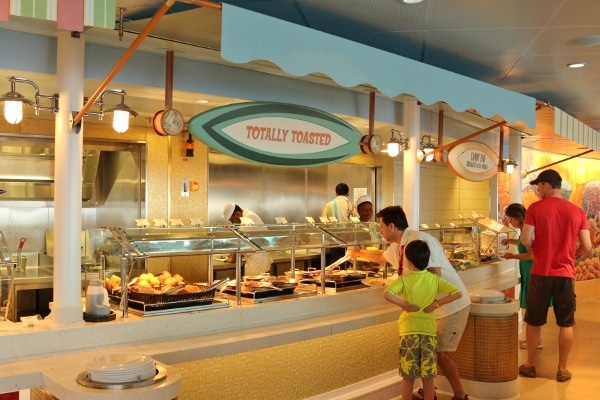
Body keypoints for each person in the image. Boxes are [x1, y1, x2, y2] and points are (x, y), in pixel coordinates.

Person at [349, 206, 470, 400]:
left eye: (381, 226)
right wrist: (357, 252)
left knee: (440, 354)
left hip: (448, 307)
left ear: (391, 225)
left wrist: (421, 301)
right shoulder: (399, 244)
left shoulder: (418, 241)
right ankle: (430, 393)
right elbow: (381, 257)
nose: (380, 231)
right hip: (427, 313)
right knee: (428, 356)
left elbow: (434, 275)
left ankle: (460, 395)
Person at [518, 169, 591, 382]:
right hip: (566, 275)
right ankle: (562, 369)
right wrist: (570, 252)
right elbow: (586, 246)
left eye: (538, 186)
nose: (537, 190)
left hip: (540, 273)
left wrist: (536, 248)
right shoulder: (577, 212)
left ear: (547, 185)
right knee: (566, 323)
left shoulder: (535, 209)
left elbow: (525, 238)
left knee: (534, 320)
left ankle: (530, 365)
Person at [384, 240, 463, 400]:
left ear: (408, 261)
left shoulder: (405, 280)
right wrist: (437, 304)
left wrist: (404, 305)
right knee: (428, 376)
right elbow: (457, 293)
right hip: (428, 332)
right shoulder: (434, 279)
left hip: (408, 332)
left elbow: (387, 294)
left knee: (408, 376)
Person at [501, 203, 546, 350]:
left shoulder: (527, 229)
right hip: (528, 270)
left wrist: (512, 255)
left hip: (532, 270)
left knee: (531, 305)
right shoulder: (524, 229)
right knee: (531, 305)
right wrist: (511, 241)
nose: (510, 222)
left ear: (517, 218)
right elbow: (523, 244)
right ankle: (534, 339)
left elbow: (532, 254)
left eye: (511, 219)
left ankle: (535, 340)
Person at [222, 202, 273, 276]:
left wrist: (233, 259)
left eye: (232, 220)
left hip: (258, 261)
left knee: (254, 285)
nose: (233, 223)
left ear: (237, 214)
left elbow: (243, 245)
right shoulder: (249, 216)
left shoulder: (247, 219)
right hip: (257, 259)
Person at [321, 183, 357, 264]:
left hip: (335, 241)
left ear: (336, 193)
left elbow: (323, 225)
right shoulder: (352, 206)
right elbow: (357, 222)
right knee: (349, 266)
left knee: (337, 266)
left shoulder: (328, 206)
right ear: (347, 193)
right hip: (350, 242)